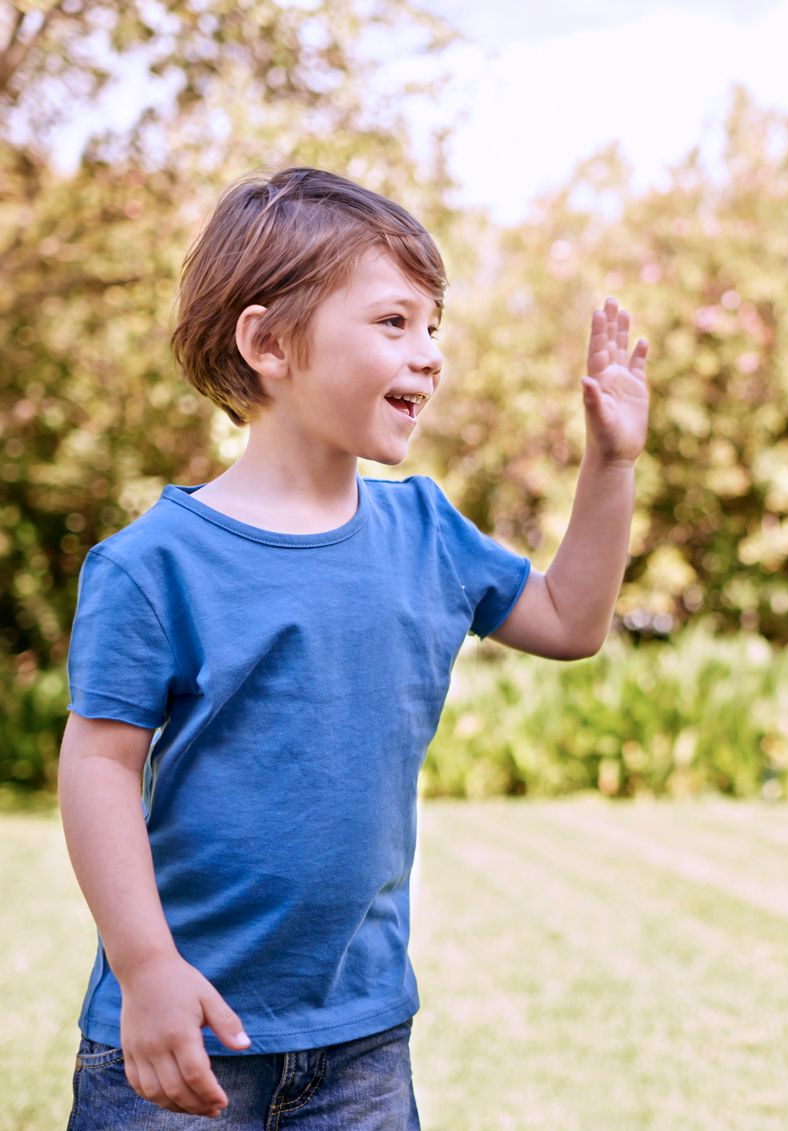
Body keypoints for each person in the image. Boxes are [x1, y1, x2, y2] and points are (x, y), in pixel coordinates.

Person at [57, 167, 651, 1128]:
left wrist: (612, 463)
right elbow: (97, 765)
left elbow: (571, 621)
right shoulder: (153, 564)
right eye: (393, 323)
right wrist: (145, 966)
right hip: (180, 1033)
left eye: (433, 326)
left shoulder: (427, 532)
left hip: (362, 1040)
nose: (429, 354)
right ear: (268, 343)